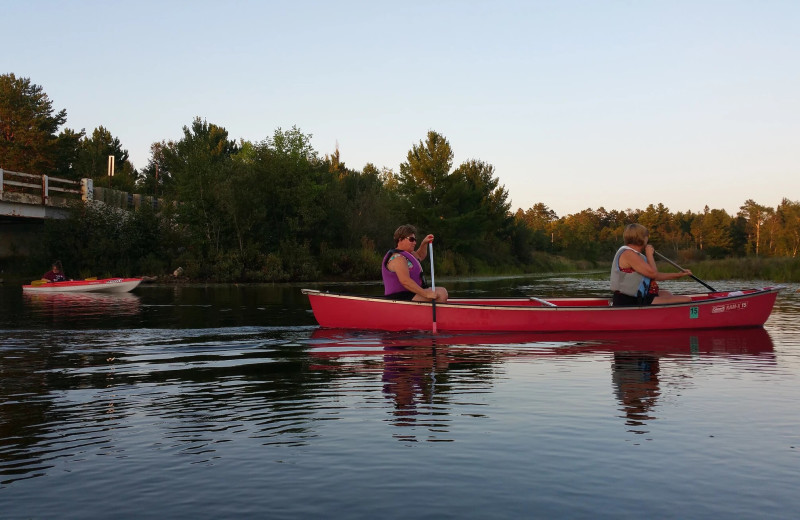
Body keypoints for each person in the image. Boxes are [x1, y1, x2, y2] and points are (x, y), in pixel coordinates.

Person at [610, 224, 692, 306]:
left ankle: (663, 316)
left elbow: (655, 276)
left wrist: (678, 275)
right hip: (630, 300)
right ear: (642, 238)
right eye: (646, 236)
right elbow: (653, 274)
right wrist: (649, 255)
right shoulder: (628, 254)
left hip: (640, 297)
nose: (647, 239)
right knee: (687, 299)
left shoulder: (636, 255)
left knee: (666, 294)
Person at [382, 224, 448, 302]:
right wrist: (425, 293)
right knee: (441, 293)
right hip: (400, 297)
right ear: (400, 240)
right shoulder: (397, 258)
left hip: (409, 294)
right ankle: (428, 313)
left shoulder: (408, 254)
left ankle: (427, 311)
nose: (414, 243)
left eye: (415, 240)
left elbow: (420, 256)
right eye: (411, 239)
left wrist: (424, 243)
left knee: (441, 292)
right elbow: (405, 281)